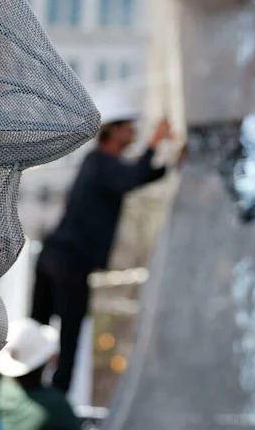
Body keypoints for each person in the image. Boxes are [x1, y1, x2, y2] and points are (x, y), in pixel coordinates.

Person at [32, 91, 173, 392]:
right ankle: (55, 396)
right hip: (69, 261)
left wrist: (164, 165)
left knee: (39, 329)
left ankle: (30, 390)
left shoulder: (100, 166)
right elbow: (131, 178)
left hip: (56, 257)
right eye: (129, 125)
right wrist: (154, 143)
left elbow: (136, 176)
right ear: (114, 129)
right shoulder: (99, 162)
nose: (134, 131)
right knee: (64, 336)